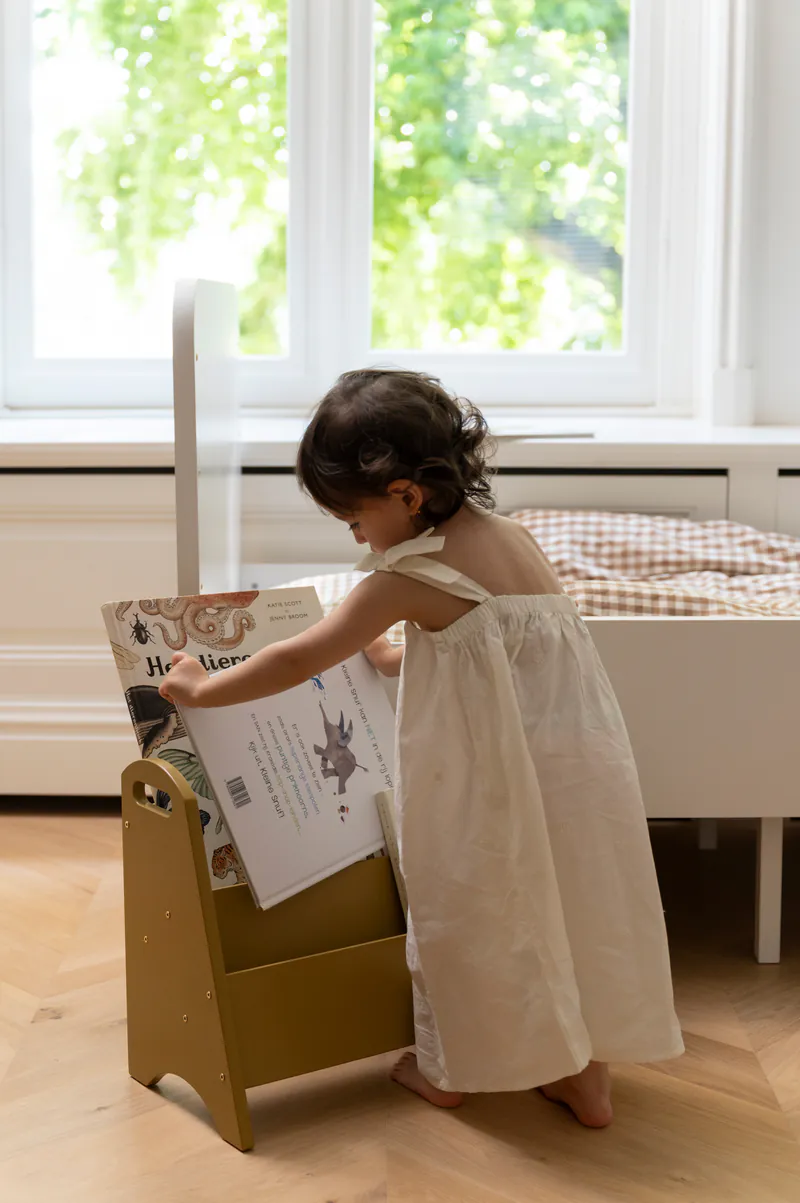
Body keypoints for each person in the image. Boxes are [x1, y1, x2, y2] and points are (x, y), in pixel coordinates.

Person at [160, 368, 684, 1128]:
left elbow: (299, 657)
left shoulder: (404, 577)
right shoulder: (516, 538)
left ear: (406, 494)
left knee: (464, 907)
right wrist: (403, 657)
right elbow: (501, 645)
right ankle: (585, 1076)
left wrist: (202, 688)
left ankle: (450, 1069)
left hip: (490, 783)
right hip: (578, 769)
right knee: (571, 906)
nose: (356, 536)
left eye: (354, 518)